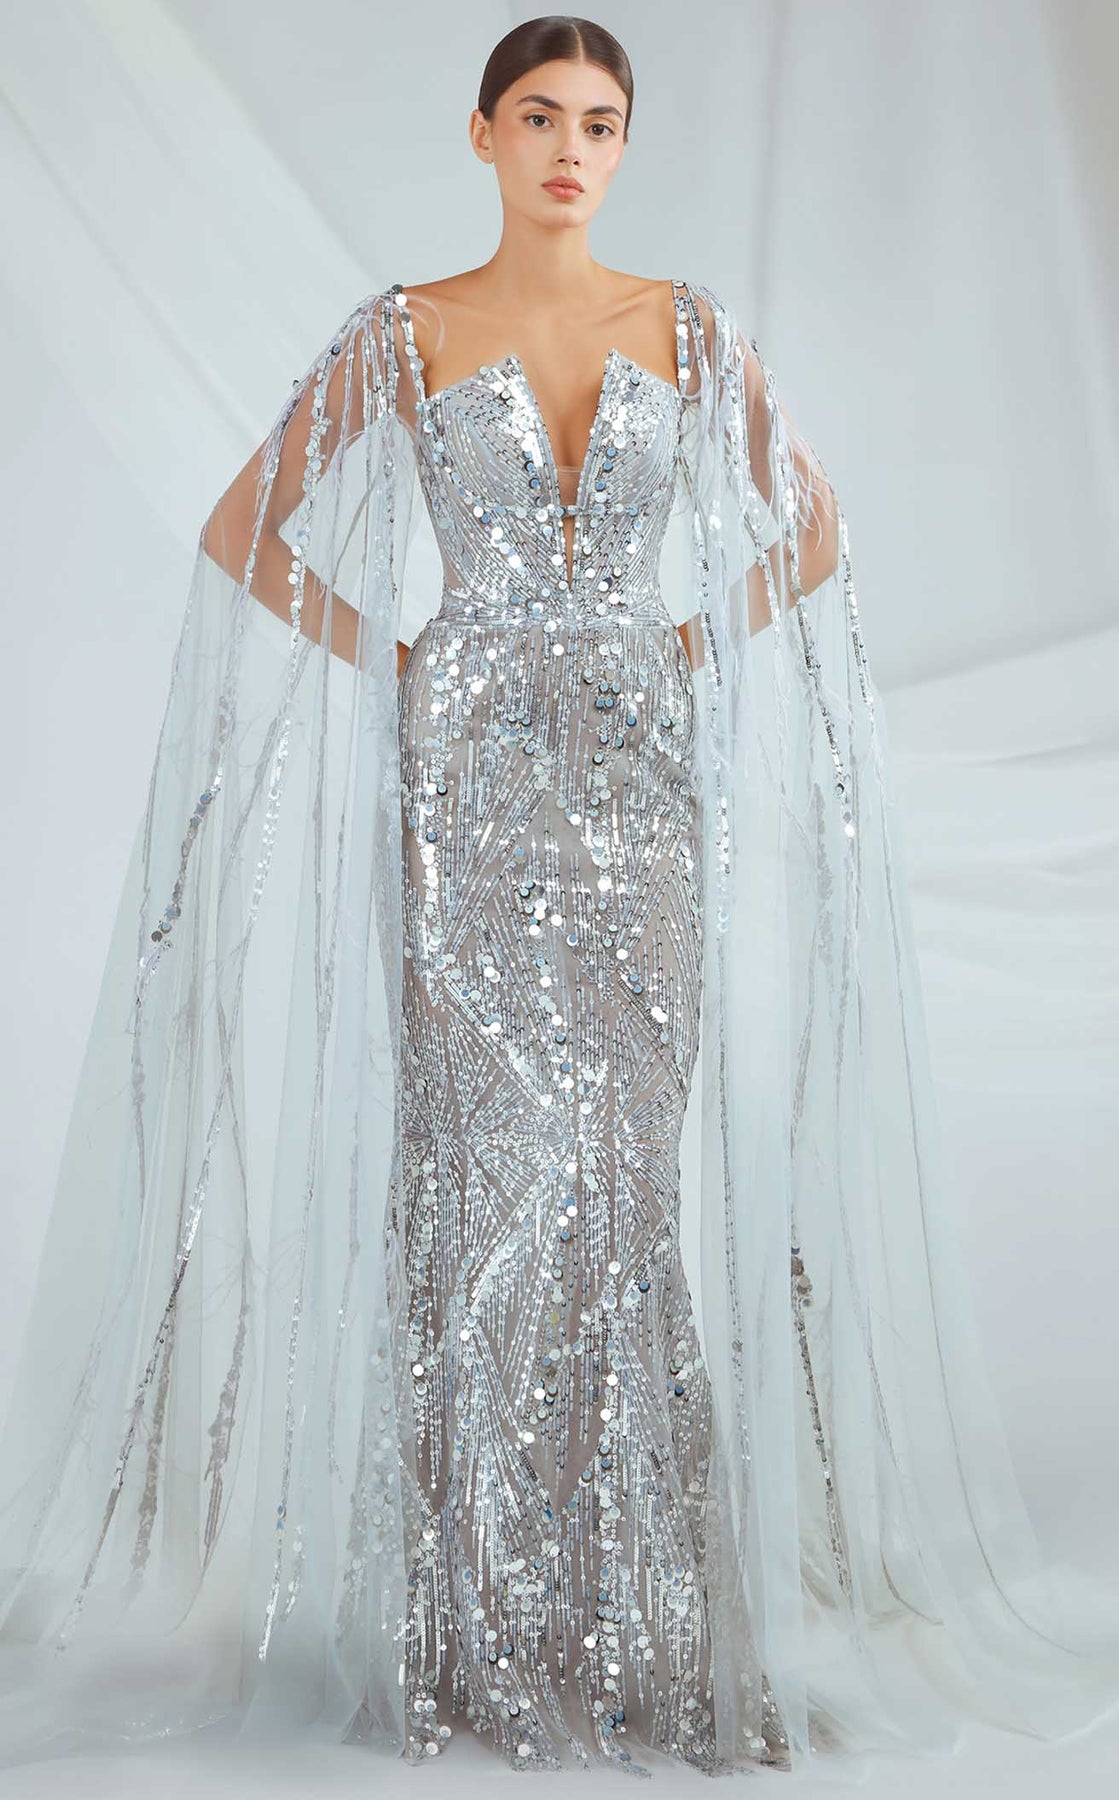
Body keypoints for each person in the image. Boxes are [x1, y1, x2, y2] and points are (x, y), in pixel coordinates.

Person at [1, 12, 1116, 1784]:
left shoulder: (688, 328)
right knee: (480, 1177)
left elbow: (813, 532)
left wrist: (684, 643)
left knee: (622, 1176)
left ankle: (640, 1621)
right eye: (540, 117)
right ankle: (476, 1627)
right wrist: (402, 657)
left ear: (622, 145)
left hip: (643, 800)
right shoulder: (403, 333)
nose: (572, 151)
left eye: (599, 122)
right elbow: (243, 530)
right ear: (483, 136)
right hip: (469, 800)